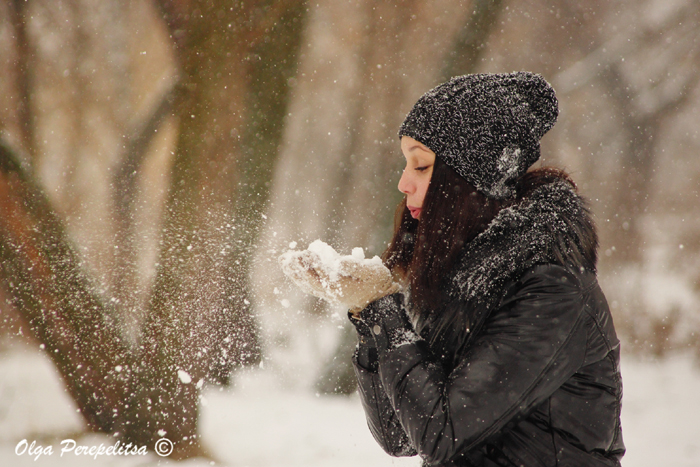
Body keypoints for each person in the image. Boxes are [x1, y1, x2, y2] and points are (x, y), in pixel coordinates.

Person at [285, 72, 625, 466]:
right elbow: (400, 435)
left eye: (421, 166)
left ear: (473, 177)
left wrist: (383, 307)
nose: (403, 183)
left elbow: (441, 432)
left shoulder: (550, 290)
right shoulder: (467, 280)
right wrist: (370, 316)